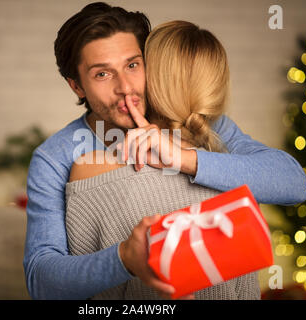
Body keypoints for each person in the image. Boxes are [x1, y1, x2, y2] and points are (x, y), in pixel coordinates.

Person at [23, 2, 306, 300]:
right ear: (77, 86)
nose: (125, 88)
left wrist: (184, 158)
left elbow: (293, 183)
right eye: (102, 75)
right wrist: (123, 259)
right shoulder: (56, 157)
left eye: (133, 65)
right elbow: (42, 282)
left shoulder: (196, 121)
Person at [65, 20, 261, 300]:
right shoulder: (236, 174)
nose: (126, 86)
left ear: (154, 80)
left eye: (135, 66)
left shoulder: (88, 169)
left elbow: (81, 292)